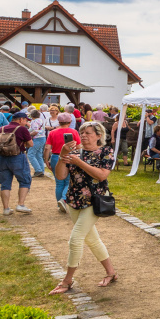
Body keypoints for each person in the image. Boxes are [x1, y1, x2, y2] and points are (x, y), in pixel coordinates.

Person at [49, 122, 118, 293]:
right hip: (74, 200)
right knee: (91, 239)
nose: (84, 135)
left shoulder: (105, 151)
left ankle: (67, 280)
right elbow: (60, 175)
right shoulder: (73, 152)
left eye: (88, 133)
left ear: (99, 135)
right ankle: (111, 273)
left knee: (76, 239)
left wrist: (79, 162)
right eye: (82, 132)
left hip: (95, 200)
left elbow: (102, 175)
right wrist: (62, 155)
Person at [0, 111, 34, 215]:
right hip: (18, 157)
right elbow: (30, 144)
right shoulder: (22, 129)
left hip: (2, 158)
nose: (26, 123)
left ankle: (6, 208)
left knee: (5, 184)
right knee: (25, 180)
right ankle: (20, 204)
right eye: (25, 120)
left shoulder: (2, 128)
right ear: (21, 120)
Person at [45, 114, 79, 213]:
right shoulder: (74, 132)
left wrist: (46, 160)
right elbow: (79, 146)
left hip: (56, 156)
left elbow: (47, 147)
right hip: (70, 156)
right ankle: (63, 199)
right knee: (69, 180)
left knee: (59, 182)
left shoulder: (52, 132)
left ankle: (60, 203)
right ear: (70, 122)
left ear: (58, 122)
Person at [26, 108, 48, 178]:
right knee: (38, 155)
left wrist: (28, 135)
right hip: (43, 138)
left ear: (31, 115)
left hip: (37, 139)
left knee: (30, 154)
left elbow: (35, 131)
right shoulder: (41, 120)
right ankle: (41, 170)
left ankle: (38, 170)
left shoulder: (34, 121)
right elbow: (33, 129)